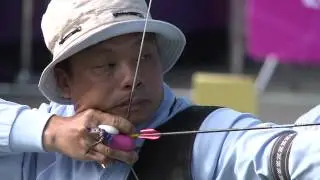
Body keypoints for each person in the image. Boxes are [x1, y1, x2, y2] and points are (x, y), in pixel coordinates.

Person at [1, 0, 320, 179]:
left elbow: (277, 150)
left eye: (144, 57)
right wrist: (49, 132)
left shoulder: (200, 134)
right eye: (107, 66)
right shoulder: (37, 145)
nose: (132, 78)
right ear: (64, 82)